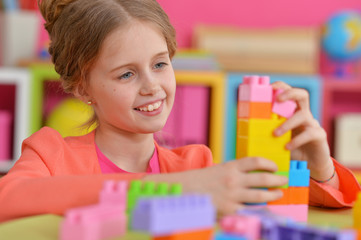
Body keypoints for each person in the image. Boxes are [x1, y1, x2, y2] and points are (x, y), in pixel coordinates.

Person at [0, 0, 359, 223]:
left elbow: (285, 213)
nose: (151, 86)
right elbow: (8, 200)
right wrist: (171, 188)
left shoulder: (195, 164)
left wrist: (317, 168)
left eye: (160, 64)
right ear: (83, 88)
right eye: (126, 73)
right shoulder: (51, 153)